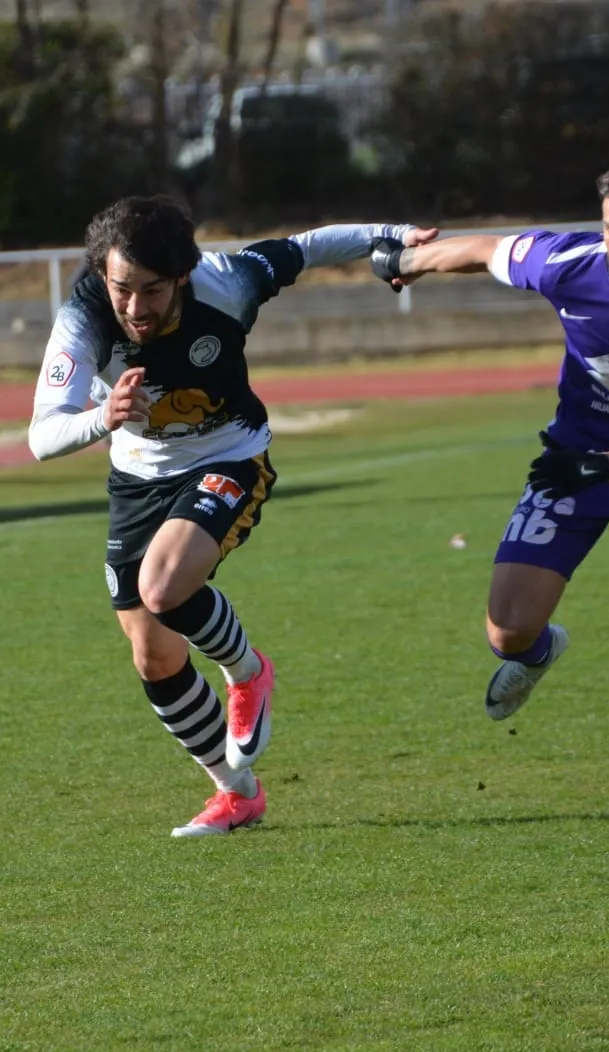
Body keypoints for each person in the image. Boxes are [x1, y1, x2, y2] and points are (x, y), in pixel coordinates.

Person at [29, 195, 434, 837]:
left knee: (161, 588)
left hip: (231, 455)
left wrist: (393, 235)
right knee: (153, 656)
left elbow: (308, 246)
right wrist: (101, 418)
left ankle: (248, 672)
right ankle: (236, 793)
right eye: (122, 288)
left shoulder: (228, 284)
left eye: (152, 290)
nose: (135, 308)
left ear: (184, 276)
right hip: (137, 478)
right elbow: (41, 436)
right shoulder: (83, 314)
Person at [371, 147, 609, 824]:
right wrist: (407, 262)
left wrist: (602, 467)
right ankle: (541, 653)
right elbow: (485, 250)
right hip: (576, 458)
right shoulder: (573, 262)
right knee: (508, 633)